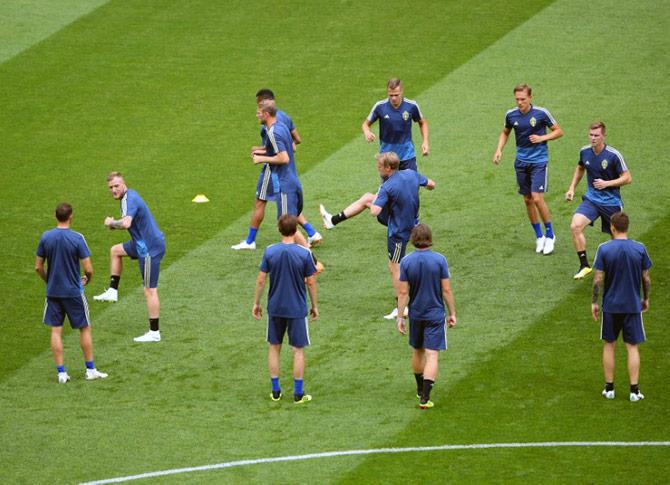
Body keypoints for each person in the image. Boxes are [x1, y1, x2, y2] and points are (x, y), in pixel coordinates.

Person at [319, 151, 435, 318]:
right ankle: (333, 220)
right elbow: (432, 184)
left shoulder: (387, 186)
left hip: (399, 230)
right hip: (412, 220)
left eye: (379, 166)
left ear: (388, 168)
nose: (377, 169)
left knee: (395, 266)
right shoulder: (411, 174)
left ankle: (401, 306)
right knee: (367, 198)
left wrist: (382, 195)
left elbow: (374, 211)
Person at [232, 89, 322, 250]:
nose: (257, 114)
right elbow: (293, 145)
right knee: (287, 218)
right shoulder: (282, 124)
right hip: (290, 178)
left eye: (259, 110)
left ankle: (311, 261)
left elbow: (284, 157)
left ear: (266, 112)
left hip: (283, 180)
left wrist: (261, 158)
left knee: (286, 222)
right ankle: (311, 241)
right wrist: (262, 150)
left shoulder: (272, 131)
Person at [35, 202, 108, 383]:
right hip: (73, 292)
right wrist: (86, 280)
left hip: (53, 292)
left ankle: (61, 373)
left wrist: (49, 280)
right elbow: (89, 269)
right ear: (71, 216)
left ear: (55, 215)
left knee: (56, 331)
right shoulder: (77, 238)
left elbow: (38, 267)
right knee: (84, 328)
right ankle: (90, 370)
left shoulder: (46, 237)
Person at [253, 214, 318, 404]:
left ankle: (275, 391)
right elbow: (311, 282)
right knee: (298, 350)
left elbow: (261, 279)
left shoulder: (270, 251)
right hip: (297, 308)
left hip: (275, 307)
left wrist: (256, 303)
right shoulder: (304, 254)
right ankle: (298, 394)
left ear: (279, 230)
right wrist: (314, 306)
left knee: (274, 347)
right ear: (296, 231)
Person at [94, 172, 166, 343]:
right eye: (110, 187)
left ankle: (154, 332)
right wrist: (116, 224)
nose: (113, 190)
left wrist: (111, 223)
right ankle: (112, 291)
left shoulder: (129, 199)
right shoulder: (128, 196)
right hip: (141, 243)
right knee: (115, 251)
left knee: (149, 289)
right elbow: (127, 223)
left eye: (116, 186)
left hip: (148, 249)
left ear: (123, 184)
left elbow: (126, 223)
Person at [493, 84, 564, 255]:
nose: (520, 103)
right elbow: (505, 132)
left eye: (523, 99)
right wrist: (499, 150)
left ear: (530, 98)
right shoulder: (511, 115)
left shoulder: (541, 113)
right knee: (527, 199)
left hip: (539, 161)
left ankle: (550, 235)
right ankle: (539, 236)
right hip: (521, 162)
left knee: (537, 198)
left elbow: (559, 131)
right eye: (517, 99)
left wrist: (542, 137)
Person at [591, 211, 651, 402]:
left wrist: (594, 302)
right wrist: (646, 298)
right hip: (633, 305)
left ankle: (609, 389)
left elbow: (598, 279)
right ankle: (634, 391)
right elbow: (646, 278)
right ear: (627, 227)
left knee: (609, 345)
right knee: (632, 347)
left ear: (612, 227)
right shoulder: (640, 249)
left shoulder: (604, 249)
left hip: (611, 306)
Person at [396, 224, 456, 409]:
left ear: (413, 239)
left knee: (418, 351)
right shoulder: (440, 260)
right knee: (432, 355)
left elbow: (403, 293)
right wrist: (452, 312)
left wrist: (400, 317)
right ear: (429, 238)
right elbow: (446, 289)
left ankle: (419, 388)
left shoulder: (406, 262)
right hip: (435, 314)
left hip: (416, 314)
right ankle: (425, 397)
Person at [565, 122, 631, 279]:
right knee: (575, 226)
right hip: (592, 200)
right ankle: (584, 265)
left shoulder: (613, 155)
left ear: (603, 136)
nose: (593, 138)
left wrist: (606, 183)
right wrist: (572, 188)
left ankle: (621, 269)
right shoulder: (585, 152)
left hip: (611, 202)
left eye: (596, 135)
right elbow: (580, 167)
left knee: (616, 239)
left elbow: (628, 178)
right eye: (591, 135)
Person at [362, 78, 429, 171]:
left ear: (402, 91)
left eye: (396, 95)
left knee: (411, 184)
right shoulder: (380, 106)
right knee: (389, 186)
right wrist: (367, 132)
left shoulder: (411, 106)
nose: (393, 98)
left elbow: (422, 123)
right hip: (386, 157)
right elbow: (365, 124)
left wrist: (425, 141)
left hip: (407, 155)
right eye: (391, 95)